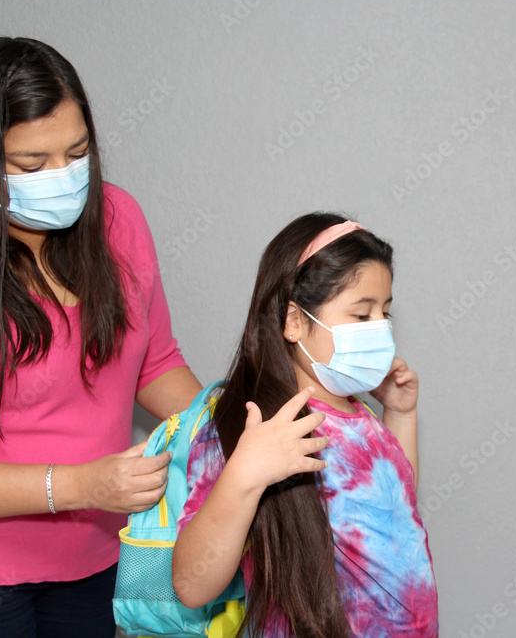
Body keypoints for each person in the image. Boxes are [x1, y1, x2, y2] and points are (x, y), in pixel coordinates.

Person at [0, 37, 204, 636]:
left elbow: (154, 364)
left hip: (93, 562)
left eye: (78, 153)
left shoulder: (118, 220)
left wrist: (230, 430)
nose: (63, 178)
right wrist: (82, 484)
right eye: (32, 165)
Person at [171, 214, 439, 637]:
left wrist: (401, 415)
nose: (381, 330)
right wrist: (244, 474)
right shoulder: (254, 425)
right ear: (294, 320)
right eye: (361, 314)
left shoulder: (358, 410)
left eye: (385, 313)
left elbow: (395, 508)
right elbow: (191, 585)